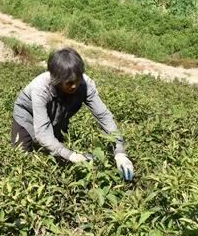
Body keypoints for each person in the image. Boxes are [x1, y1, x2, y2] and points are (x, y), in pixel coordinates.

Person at [11, 47, 134, 180]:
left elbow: (103, 116)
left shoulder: (85, 84)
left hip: (57, 115)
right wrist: (72, 155)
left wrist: (120, 152)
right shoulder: (40, 88)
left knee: (58, 157)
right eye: (69, 83)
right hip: (27, 115)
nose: (74, 86)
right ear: (56, 80)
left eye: (77, 80)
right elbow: (42, 131)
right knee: (21, 157)